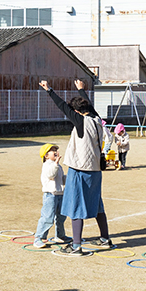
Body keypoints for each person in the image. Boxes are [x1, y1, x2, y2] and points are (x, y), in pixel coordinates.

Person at [38, 79, 115, 256]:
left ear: (76, 111)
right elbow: (90, 106)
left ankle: (76, 246)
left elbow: (62, 106)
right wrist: (81, 90)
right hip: (95, 170)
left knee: (75, 205)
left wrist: (49, 90)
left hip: (80, 169)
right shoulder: (96, 118)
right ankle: (105, 239)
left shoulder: (81, 121)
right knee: (97, 206)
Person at [33, 143, 71, 248]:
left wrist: (68, 178)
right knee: (47, 217)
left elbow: (60, 178)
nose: (55, 151)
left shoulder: (57, 165)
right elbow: (51, 175)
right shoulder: (48, 165)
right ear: (46, 155)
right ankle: (39, 238)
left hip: (60, 194)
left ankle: (60, 235)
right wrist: (56, 163)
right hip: (50, 195)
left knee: (61, 216)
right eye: (52, 150)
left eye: (56, 149)